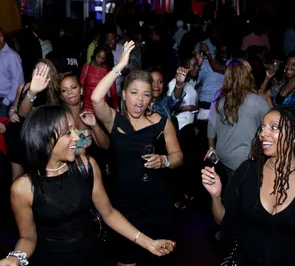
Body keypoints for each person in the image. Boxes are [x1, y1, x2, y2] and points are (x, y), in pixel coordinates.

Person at [0, 105, 176, 266]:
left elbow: (108, 212)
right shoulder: (23, 188)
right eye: (68, 132)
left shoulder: (86, 166)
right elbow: (28, 238)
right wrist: (15, 258)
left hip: (93, 257)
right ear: (45, 138)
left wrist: (149, 243)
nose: (77, 137)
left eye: (74, 130)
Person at [91, 41, 183, 265]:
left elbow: (178, 157)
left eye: (145, 94)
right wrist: (120, 65)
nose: (140, 100)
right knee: (125, 261)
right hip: (123, 205)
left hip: (155, 204)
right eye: (134, 93)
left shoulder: (162, 122)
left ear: (152, 98)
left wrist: (164, 160)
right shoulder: (115, 120)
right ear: (124, 95)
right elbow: (95, 98)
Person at [202, 106, 295, 266]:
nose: (263, 133)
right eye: (262, 127)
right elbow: (222, 219)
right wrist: (216, 196)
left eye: (274, 127)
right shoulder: (248, 171)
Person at [204, 58, 270, 176]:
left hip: (223, 157)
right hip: (246, 160)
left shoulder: (218, 99)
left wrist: (211, 148)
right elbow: (274, 125)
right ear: (247, 76)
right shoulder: (258, 101)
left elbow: (211, 124)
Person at [58, 72, 109, 155]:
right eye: (64, 90)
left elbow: (105, 145)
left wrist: (94, 125)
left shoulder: (87, 116)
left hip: (86, 165)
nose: (69, 92)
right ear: (61, 97)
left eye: (73, 87)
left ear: (81, 90)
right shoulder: (60, 118)